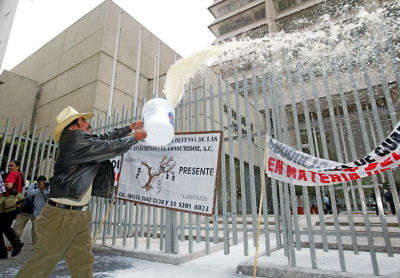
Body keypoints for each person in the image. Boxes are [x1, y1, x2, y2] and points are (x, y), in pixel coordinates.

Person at [16, 106, 146, 277]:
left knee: (82, 261)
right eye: (83, 120)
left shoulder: (81, 140)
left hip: (78, 215)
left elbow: (103, 138)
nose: (88, 123)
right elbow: (107, 147)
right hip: (62, 216)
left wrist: (129, 128)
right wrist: (133, 138)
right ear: (73, 126)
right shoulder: (75, 141)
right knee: (43, 262)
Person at [0, 160, 25, 259]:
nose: (10, 167)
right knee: (3, 227)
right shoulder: (19, 175)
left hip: (8, 205)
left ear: (17, 167)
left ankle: (15, 245)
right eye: (9, 165)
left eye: (12, 165)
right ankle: (4, 251)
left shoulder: (13, 174)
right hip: (15, 205)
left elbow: (9, 185)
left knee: (4, 227)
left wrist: (3, 184)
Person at [13, 176, 47, 245]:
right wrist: (39, 189)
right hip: (27, 210)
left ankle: (36, 245)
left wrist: (44, 190)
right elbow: (29, 194)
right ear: (37, 182)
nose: (42, 184)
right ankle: (13, 243)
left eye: (43, 183)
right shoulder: (33, 185)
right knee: (18, 226)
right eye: (40, 183)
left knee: (36, 230)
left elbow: (47, 198)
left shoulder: (47, 188)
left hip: (38, 213)